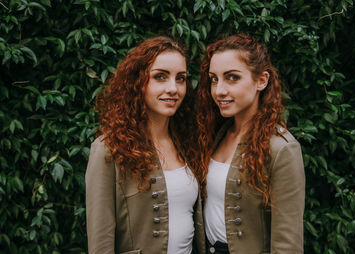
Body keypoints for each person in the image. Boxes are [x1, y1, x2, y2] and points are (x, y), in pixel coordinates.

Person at [85, 36, 205, 254]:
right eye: (160, 77)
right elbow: (100, 242)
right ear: (138, 82)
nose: (173, 88)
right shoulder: (109, 148)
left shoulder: (187, 142)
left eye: (181, 78)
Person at [196, 33, 305, 254]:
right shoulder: (215, 136)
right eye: (214, 79)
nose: (219, 90)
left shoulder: (281, 148)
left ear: (261, 81)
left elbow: (287, 244)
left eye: (232, 77)